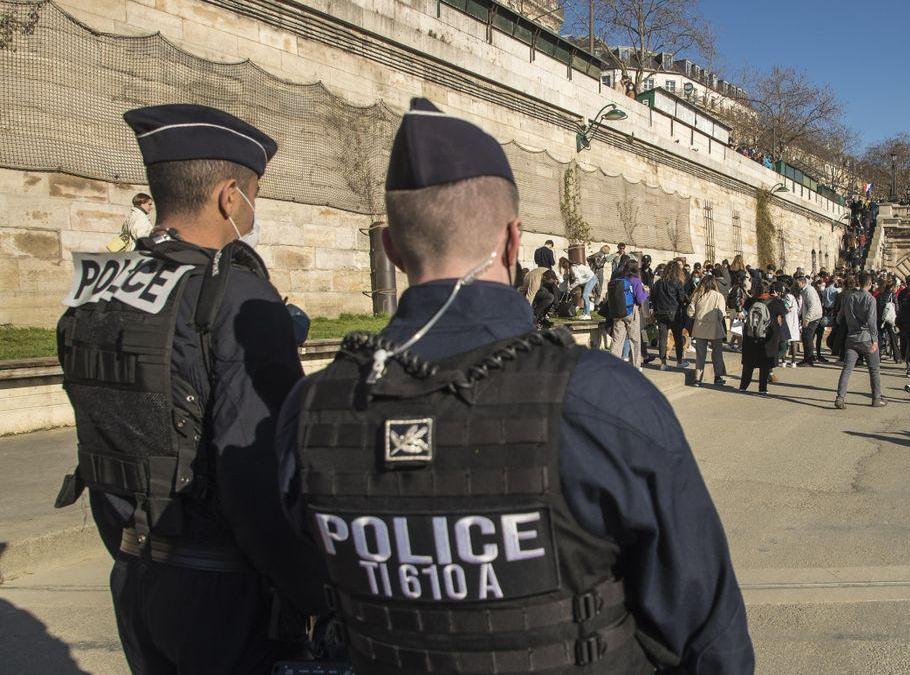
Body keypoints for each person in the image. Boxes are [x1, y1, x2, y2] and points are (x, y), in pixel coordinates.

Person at [274, 99, 753, 674]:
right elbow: (704, 629)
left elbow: (307, 583)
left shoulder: (311, 411)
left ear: (392, 251)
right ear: (512, 241)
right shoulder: (600, 399)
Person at [54, 104, 325, 674]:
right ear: (231, 196)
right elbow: (256, 477)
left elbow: (102, 435)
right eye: (256, 192)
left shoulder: (97, 289)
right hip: (222, 593)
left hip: (133, 574)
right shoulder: (238, 299)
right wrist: (315, 594)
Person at [834, 272, 885, 409]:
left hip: (851, 337)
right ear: (869, 283)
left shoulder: (850, 297)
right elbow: (872, 321)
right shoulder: (870, 299)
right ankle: (876, 398)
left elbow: (840, 317)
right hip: (866, 337)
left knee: (847, 369)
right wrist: (875, 340)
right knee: (874, 369)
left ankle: (840, 397)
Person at [739, 282, 786, 394]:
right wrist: (777, 297)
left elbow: (744, 312)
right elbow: (783, 312)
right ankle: (762, 388)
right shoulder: (775, 302)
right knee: (765, 364)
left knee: (748, 364)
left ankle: (743, 386)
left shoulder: (750, 301)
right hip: (767, 337)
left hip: (750, 336)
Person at [689, 275, 728, 386]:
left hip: (699, 327)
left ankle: (698, 378)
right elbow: (721, 314)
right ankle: (718, 376)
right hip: (714, 328)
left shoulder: (697, 295)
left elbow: (690, 312)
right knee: (717, 354)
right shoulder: (718, 296)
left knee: (700, 355)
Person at [650, 260, 689, 369]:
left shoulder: (658, 283)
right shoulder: (677, 282)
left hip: (661, 312)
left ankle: (663, 363)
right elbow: (681, 298)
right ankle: (679, 361)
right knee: (677, 337)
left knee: (662, 338)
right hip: (674, 313)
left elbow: (653, 297)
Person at [610, 258, 648, 369]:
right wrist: (646, 292)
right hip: (632, 312)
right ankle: (636, 366)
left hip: (618, 312)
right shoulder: (636, 281)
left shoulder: (619, 279)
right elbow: (640, 299)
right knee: (635, 340)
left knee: (617, 340)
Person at [797, 275, 823, 365]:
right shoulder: (805, 290)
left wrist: (807, 319)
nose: (797, 285)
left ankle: (808, 360)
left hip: (813, 317)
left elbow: (812, 306)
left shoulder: (808, 290)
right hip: (812, 315)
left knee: (807, 337)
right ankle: (808, 358)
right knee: (807, 338)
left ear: (802, 282)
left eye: (798, 283)